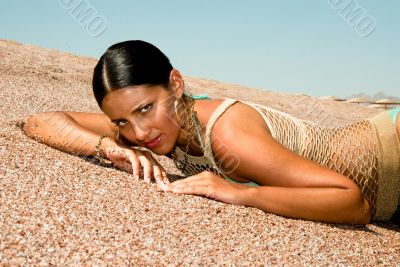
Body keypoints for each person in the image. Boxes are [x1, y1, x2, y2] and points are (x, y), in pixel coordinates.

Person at [23, 40, 400, 225]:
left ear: (175, 83)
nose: (138, 132)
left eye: (144, 108)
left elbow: (353, 203)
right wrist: (110, 148)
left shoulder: (225, 134)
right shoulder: (155, 127)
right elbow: (41, 121)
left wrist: (239, 192)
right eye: (121, 121)